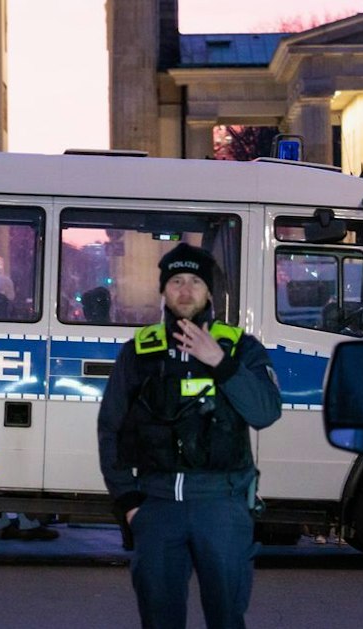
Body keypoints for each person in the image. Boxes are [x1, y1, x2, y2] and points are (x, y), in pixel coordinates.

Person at [98, 245, 282, 629]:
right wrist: (129, 502)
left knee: (226, 618)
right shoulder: (139, 352)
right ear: (164, 291)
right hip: (158, 507)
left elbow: (265, 412)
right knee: (159, 619)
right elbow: (110, 428)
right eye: (176, 282)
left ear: (209, 292)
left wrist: (221, 363)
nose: (185, 290)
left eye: (195, 282)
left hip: (222, 506)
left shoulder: (241, 348)